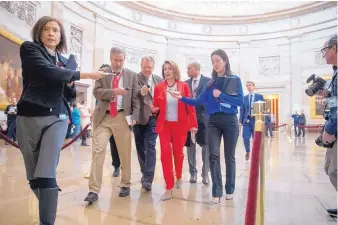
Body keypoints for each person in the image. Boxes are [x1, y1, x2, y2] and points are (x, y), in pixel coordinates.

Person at [16, 16, 102, 225]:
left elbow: (70, 95)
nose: (51, 33)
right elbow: (47, 72)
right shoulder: (30, 49)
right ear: (40, 32)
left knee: (46, 173)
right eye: (47, 29)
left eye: (55, 30)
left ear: (61, 35)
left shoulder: (65, 62)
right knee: (33, 178)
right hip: (29, 116)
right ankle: (48, 203)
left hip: (58, 117)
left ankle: (47, 222)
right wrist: (84, 74)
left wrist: (71, 84)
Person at [170, 49, 244, 204]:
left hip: (230, 121)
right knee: (213, 155)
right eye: (213, 62)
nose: (215, 64)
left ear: (225, 61)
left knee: (229, 156)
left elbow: (240, 102)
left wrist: (222, 96)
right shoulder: (211, 83)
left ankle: (230, 188)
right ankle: (216, 191)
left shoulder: (235, 79)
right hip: (213, 122)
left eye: (218, 60)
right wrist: (181, 97)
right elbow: (198, 101)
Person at [84, 47, 139, 202]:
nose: (118, 63)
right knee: (98, 150)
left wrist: (134, 116)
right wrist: (113, 91)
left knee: (124, 153)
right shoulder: (103, 72)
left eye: (121, 60)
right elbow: (97, 92)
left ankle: (125, 184)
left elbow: (135, 99)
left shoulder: (131, 75)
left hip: (122, 116)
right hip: (104, 117)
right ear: (110, 58)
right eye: (115, 59)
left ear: (124, 59)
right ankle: (93, 190)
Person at [151, 60, 197, 201]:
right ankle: (169, 186)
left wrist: (193, 124)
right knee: (165, 153)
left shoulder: (183, 86)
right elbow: (155, 105)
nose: (167, 71)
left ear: (175, 70)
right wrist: (154, 109)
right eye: (165, 69)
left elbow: (190, 106)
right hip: (164, 125)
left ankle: (178, 176)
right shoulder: (159, 87)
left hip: (180, 125)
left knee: (178, 153)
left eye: (170, 68)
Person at [134, 56, 162, 191]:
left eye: (149, 67)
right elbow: (131, 96)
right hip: (139, 118)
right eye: (145, 67)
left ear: (153, 67)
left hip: (154, 118)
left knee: (150, 145)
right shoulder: (135, 78)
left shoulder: (159, 80)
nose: (147, 70)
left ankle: (148, 178)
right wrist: (140, 92)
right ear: (141, 65)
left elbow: (163, 98)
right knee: (140, 147)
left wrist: (159, 107)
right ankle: (145, 172)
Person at [318, 34, 337, 218]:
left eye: (325, 50)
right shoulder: (335, 72)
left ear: (334, 48)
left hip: (335, 127)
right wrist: (328, 94)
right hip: (333, 123)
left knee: (334, 170)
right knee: (328, 167)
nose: (323, 54)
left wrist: (330, 129)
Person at [185, 62, 210, 184]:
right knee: (190, 147)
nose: (187, 70)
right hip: (189, 120)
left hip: (204, 120)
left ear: (197, 69)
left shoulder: (208, 81)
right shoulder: (185, 83)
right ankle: (193, 173)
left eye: (189, 68)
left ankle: (205, 174)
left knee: (206, 147)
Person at [239, 81, 264, 161]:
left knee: (256, 138)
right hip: (247, 120)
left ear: (254, 86)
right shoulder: (244, 98)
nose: (249, 87)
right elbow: (242, 110)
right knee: (245, 137)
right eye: (247, 86)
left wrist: (264, 121)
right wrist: (240, 121)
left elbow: (263, 109)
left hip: (256, 120)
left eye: (250, 85)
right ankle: (247, 151)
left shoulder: (259, 97)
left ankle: (256, 153)